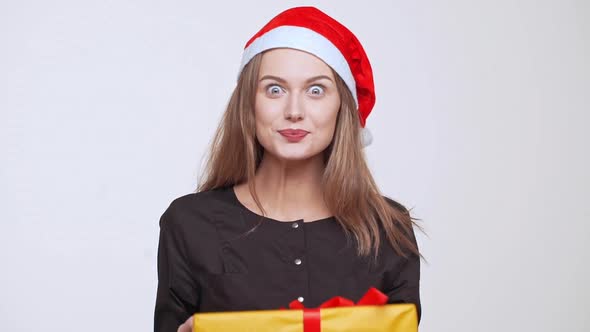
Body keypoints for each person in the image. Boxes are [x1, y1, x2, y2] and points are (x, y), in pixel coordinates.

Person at [154, 6, 422, 332]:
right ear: (249, 105)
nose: (294, 111)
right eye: (275, 89)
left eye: (316, 90)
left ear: (343, 108)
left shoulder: (388, 230)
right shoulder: (188, 224)